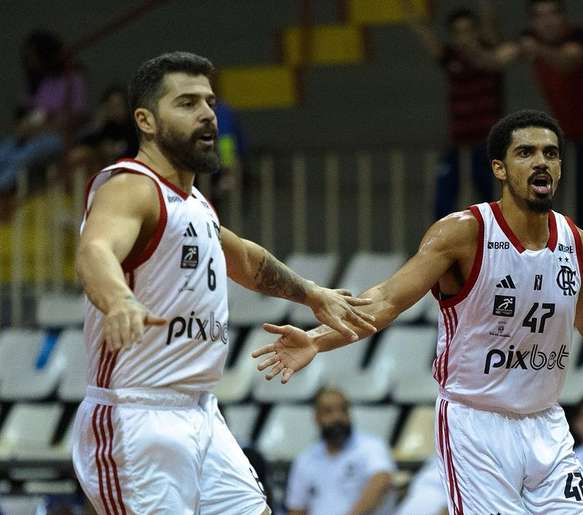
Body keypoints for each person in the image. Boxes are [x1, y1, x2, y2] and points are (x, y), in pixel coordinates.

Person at [253, 109, 583, 514]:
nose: (542, 162)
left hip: (546, 423)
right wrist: (316, 339)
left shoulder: (575, 243)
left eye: (551, 153)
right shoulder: (463, 233)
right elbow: (386, 301)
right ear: (500, 167)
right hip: (476, 425)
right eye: (527, 152)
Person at [71, 51, 376, 515]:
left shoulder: (194, 204)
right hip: (137, 413)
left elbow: (248, 261)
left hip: (201, 412)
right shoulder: (130, 186)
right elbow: (95, 250)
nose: (207, 114)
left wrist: (311, 293)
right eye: (188, 103)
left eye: (210, 102)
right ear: (146, 121)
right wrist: (118, 301)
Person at [514, 0, 583, 254]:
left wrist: (537, 49)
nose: (548, 21)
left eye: (553, 14)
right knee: (581, 197)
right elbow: (497, 58)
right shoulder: (531, 41)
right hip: (572, 135)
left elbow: (569, 60)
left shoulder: (577, 36)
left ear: (563, 17)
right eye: (540, 16)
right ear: (533, 22)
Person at [403, 0, 514, 219]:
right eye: (459, 32)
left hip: (488, 145)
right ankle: (445, 246)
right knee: (442, 199)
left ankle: (503, 246)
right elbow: (423, 31)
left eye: (469, 30)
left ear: (477, 30)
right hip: (458, 145)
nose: (465, 36)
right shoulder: (451, 58)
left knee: (494, 202)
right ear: (452, 36)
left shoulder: (491, 53)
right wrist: (408, 9)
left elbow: (489, 18)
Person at [0, 30, 89, 191]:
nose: (30, 62)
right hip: (30, 135)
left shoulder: (72, 79)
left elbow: (75, 118)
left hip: (56, 137)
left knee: (21, 158)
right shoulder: (39, 81)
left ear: (45, 55)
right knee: (3, 152)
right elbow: (25, 114)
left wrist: (42, 127)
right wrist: (25, 128)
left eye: (33, 57)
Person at [285, 387, 396, 515]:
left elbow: (381, 481)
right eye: (328, 411)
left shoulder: (371, 446)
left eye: (343, 410)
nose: (337, 417)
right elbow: (297, 509)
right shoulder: (305, 459)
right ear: (316, 417)